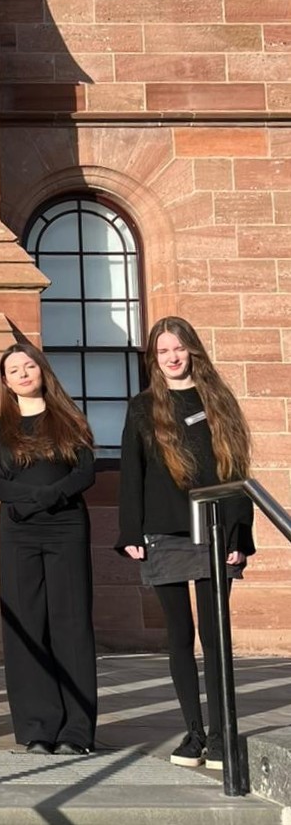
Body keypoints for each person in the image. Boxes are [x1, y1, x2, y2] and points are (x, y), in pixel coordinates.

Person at [117, 316, 253, 771]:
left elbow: (237, 470)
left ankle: (221, 736)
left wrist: (240, 533)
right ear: (153, 358)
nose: (172, 357)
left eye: (178, 348)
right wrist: (131, 532)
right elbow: (131, 472)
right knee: (179, 636)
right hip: (165, 531)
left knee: (215, 636)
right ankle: (194, 734)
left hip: (215, 529)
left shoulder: (218, 400)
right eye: (163, 351)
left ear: (192, 350)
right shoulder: (142, 408)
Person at [0, 342, 97, 756]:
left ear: (42, 370)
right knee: (26, 625)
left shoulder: (70, 418)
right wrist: (33, 502)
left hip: (66, 528)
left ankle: (76, 730)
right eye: (14, 369)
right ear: (5, 381)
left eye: (29, 366)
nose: (23, 374)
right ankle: (38, 727)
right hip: (19, 533)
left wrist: (46, 498)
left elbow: (85, 473)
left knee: (71, 623)